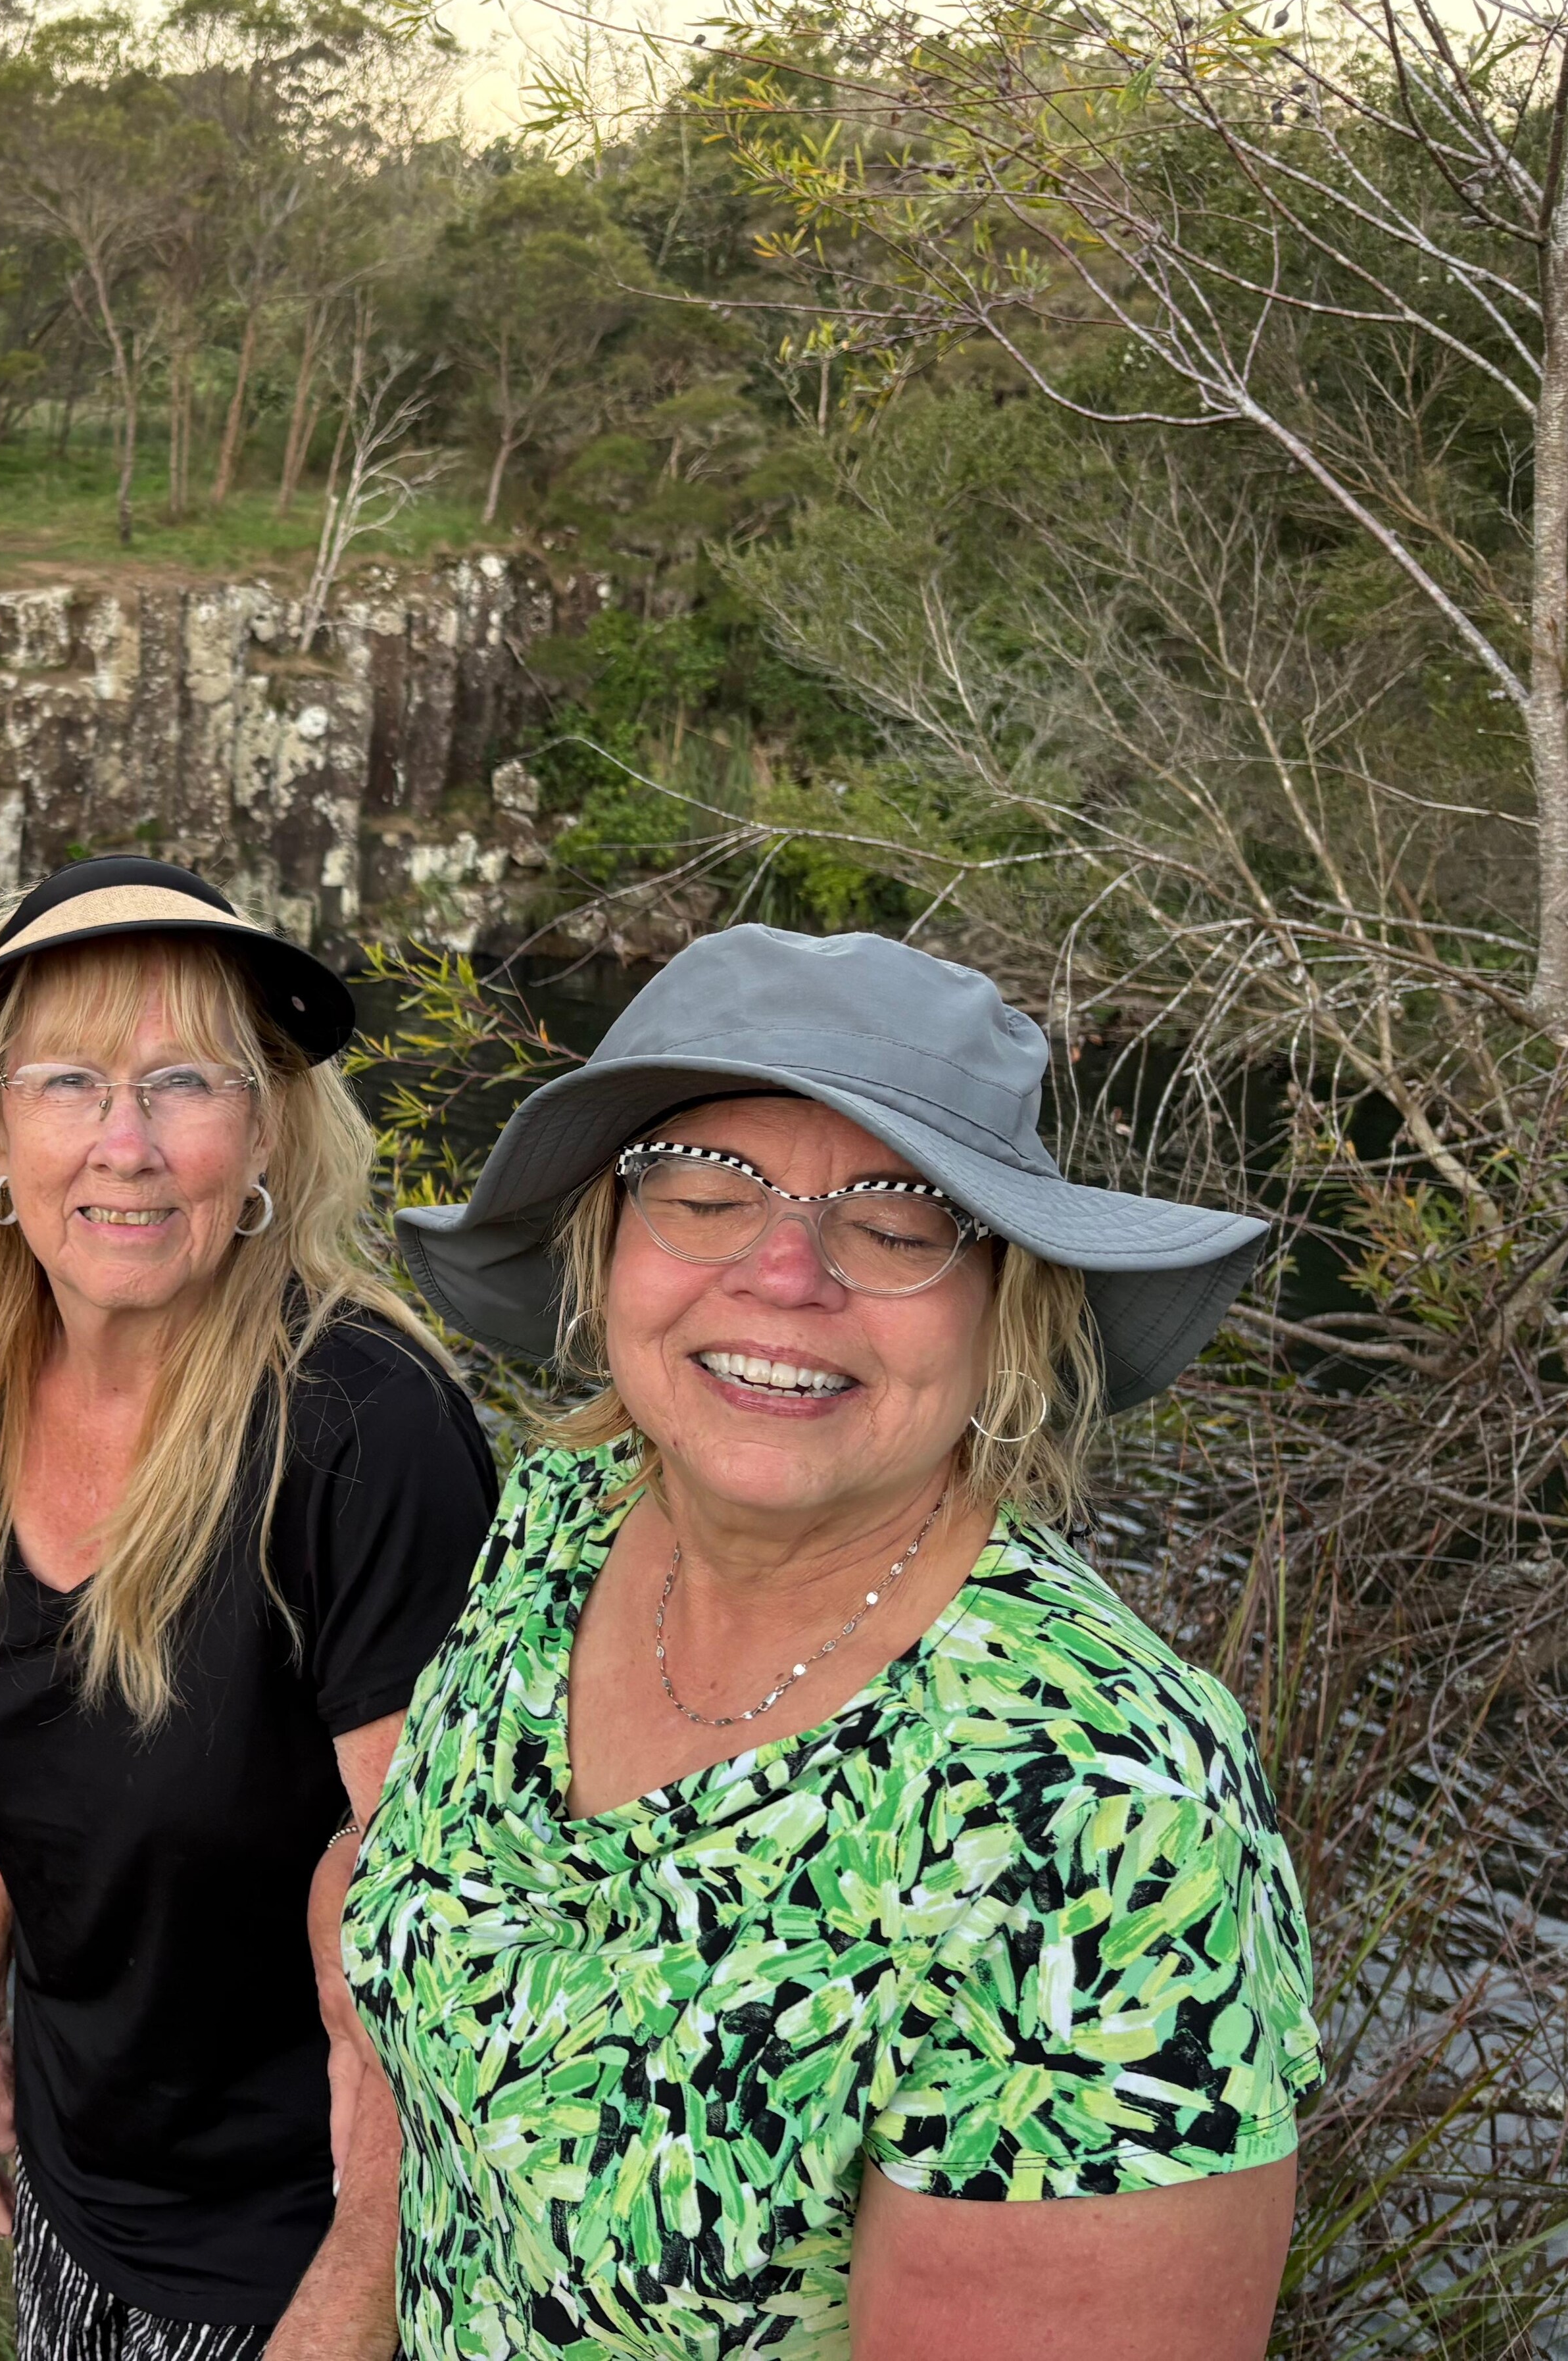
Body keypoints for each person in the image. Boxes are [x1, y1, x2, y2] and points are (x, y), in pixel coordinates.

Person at [348, 924, 1321, 2360]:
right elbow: (417, 1931)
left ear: (1006, 1305)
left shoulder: (1095, 1825)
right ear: (606, 1243)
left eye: (895, 1221)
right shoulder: (561, 1520)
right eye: (703, 1191)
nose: (786, 1276)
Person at [0, 855, 500, 2361]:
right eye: (69, 1080)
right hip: (81, 2188)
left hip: (285, 2244)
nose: (126, 1145)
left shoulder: (358, 1425)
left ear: (265, 1129)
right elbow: (20, 1743)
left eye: (185, 1083)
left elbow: (438, 1927)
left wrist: (347, 2304)